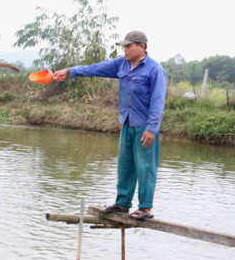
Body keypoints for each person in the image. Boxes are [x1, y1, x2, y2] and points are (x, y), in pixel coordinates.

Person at [53, 30, 167, 219]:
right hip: (128, 122)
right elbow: (95, 68)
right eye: (124, 46)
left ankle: (146, 208)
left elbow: (158, 102)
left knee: (145, 166)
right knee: (125, 165)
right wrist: (70, 71)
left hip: (144, 126)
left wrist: (151, 129)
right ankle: (122, 204)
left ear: (142, 46)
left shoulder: (155, 70)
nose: (125, 50)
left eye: (129, 46)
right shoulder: (121, 64)